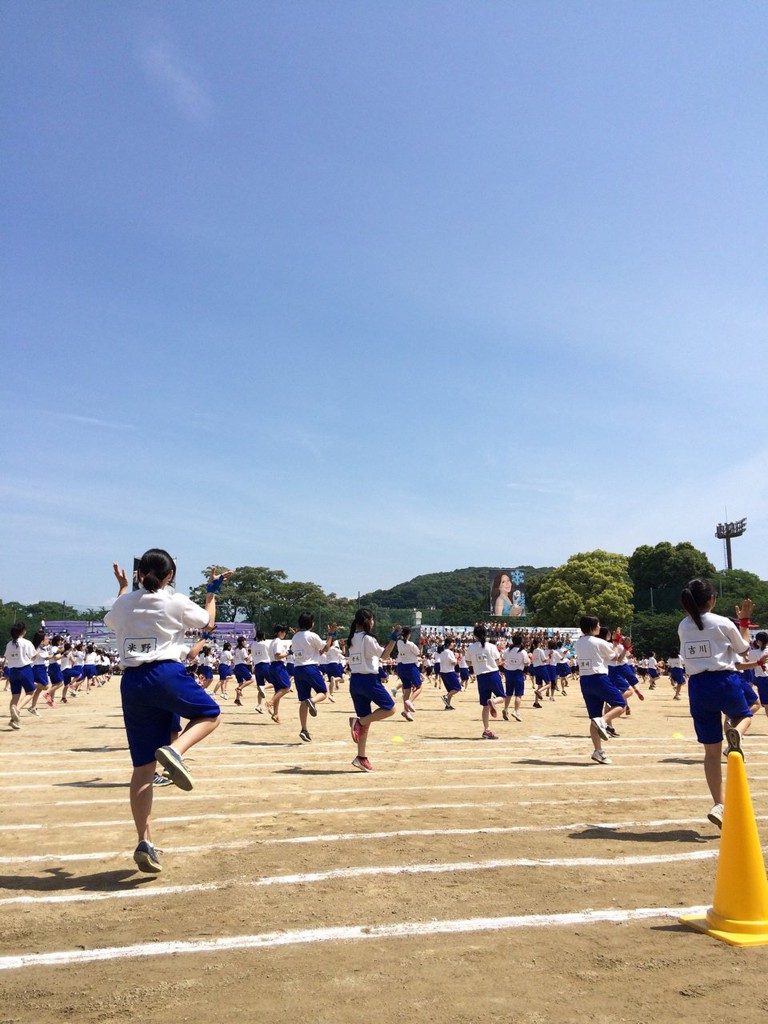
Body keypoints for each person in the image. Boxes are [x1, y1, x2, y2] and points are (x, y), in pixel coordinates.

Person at [104, 549, 230, 873]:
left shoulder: (125, 602)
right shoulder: (174, 600)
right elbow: (209, 623)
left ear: (138, 574)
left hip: (132, 683)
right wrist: (212, 592)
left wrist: (121, 587)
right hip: (165, 674)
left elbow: (114, 616)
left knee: (142, 769)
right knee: (210, 714)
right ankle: (175, 751)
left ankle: (144, 841)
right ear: (170, 575)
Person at [678, 579, 753, 829]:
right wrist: (743, 621)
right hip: (725, 680)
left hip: (698, 687)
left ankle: (718, 804)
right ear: (711, 599)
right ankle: (735, 734)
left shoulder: (683, 626)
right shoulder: (722, 622)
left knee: (710, 753)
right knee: (745, 717)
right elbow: (743, 649)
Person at [346, 609, 397, 771]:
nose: (373, 623)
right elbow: (384, 656)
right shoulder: (368, 639)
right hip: (369, 680)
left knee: (366, 720)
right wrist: (394, 639)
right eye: (372, 620)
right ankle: (358, 723)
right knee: (390, 709)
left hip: (355, 681)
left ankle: (361, 757)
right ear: (368, 620)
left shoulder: (351, 638)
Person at [574, 616, 626, 765]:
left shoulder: (578, 643)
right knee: (620, 704)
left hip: (585, 680)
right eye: (598, 624)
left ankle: (598, 751)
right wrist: (616, 642)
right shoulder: (599, 642)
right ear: (592, 627)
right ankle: (603, 722)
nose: (599, 627)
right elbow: (615, 657)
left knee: (594, 717)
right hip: (599, 678)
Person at [291, 613, 337, 742]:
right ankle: (313, 701)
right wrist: (330, 635)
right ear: (310, 623)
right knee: (323, 692)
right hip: (310, 667)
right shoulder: (312, 635)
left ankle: (304, 729)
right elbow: (326, 648)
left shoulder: (295, 637)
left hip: (298, 669)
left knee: (303, 701)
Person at [465, 624, 504, 739]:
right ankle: (493, 701)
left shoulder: (471, 648)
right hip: (493, 674)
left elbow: (468, 663)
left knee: (484, 706)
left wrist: (477, 663)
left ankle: (486, 729)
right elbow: (497, 661)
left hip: (481, 677)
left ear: (474, 636)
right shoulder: (491, 646)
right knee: (502, 697)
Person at [4, 623, 36, 729]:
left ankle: (14, 720)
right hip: (24, 669)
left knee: (15, 696)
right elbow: (32, 657)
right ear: (23, 631)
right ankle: (17, 710)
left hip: (13, 671)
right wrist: (38, 653)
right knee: (31, 692)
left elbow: (6, 657)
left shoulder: (9, 644)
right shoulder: (26, 642)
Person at [394, 626, 422, 721]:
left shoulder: (399, 642)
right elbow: (418, 653)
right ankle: (409, 702)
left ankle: (406, 711)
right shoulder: (411, 644)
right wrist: (421, 645)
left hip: (401, 667)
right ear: (409, 634)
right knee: (419, 687)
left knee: (407, 689)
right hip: (410, 667)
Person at [502, 633, 529, 721]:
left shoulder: (508, 650)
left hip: (508, 673)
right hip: (518, 673)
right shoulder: (523, 652)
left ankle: (506, 709)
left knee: (508, 693)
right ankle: (516, 711)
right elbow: (526, 663)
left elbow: (503, 658)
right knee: (518, 694)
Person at [438, 637, 462, 710]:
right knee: (457, 688)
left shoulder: (442, 652)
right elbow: (453, 663)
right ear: (449, 644)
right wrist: (457, 658)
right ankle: (446, 697)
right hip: (450, 671)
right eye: (452, 642)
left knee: (450, 689)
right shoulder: (450, 652)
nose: (453, 644)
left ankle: (448, 705)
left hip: (443, 672)